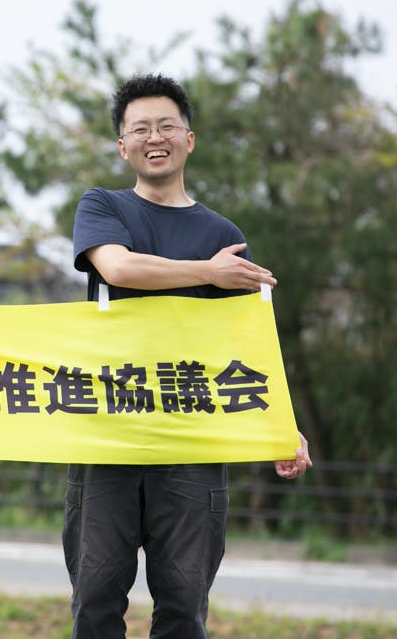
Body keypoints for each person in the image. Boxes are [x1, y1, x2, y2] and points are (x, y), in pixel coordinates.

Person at [66, 73, 311, 639]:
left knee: (183, 604)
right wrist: (209, 271)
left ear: (189, 139)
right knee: (96, 599)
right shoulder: (103, 206)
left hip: (193, 435)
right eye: (140, 129)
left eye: (167, 126)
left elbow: (244, 342)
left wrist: (282, 424)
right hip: (108, 432)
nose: (155, 137)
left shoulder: (223, 233)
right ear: (122, 146)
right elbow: (119, 268)